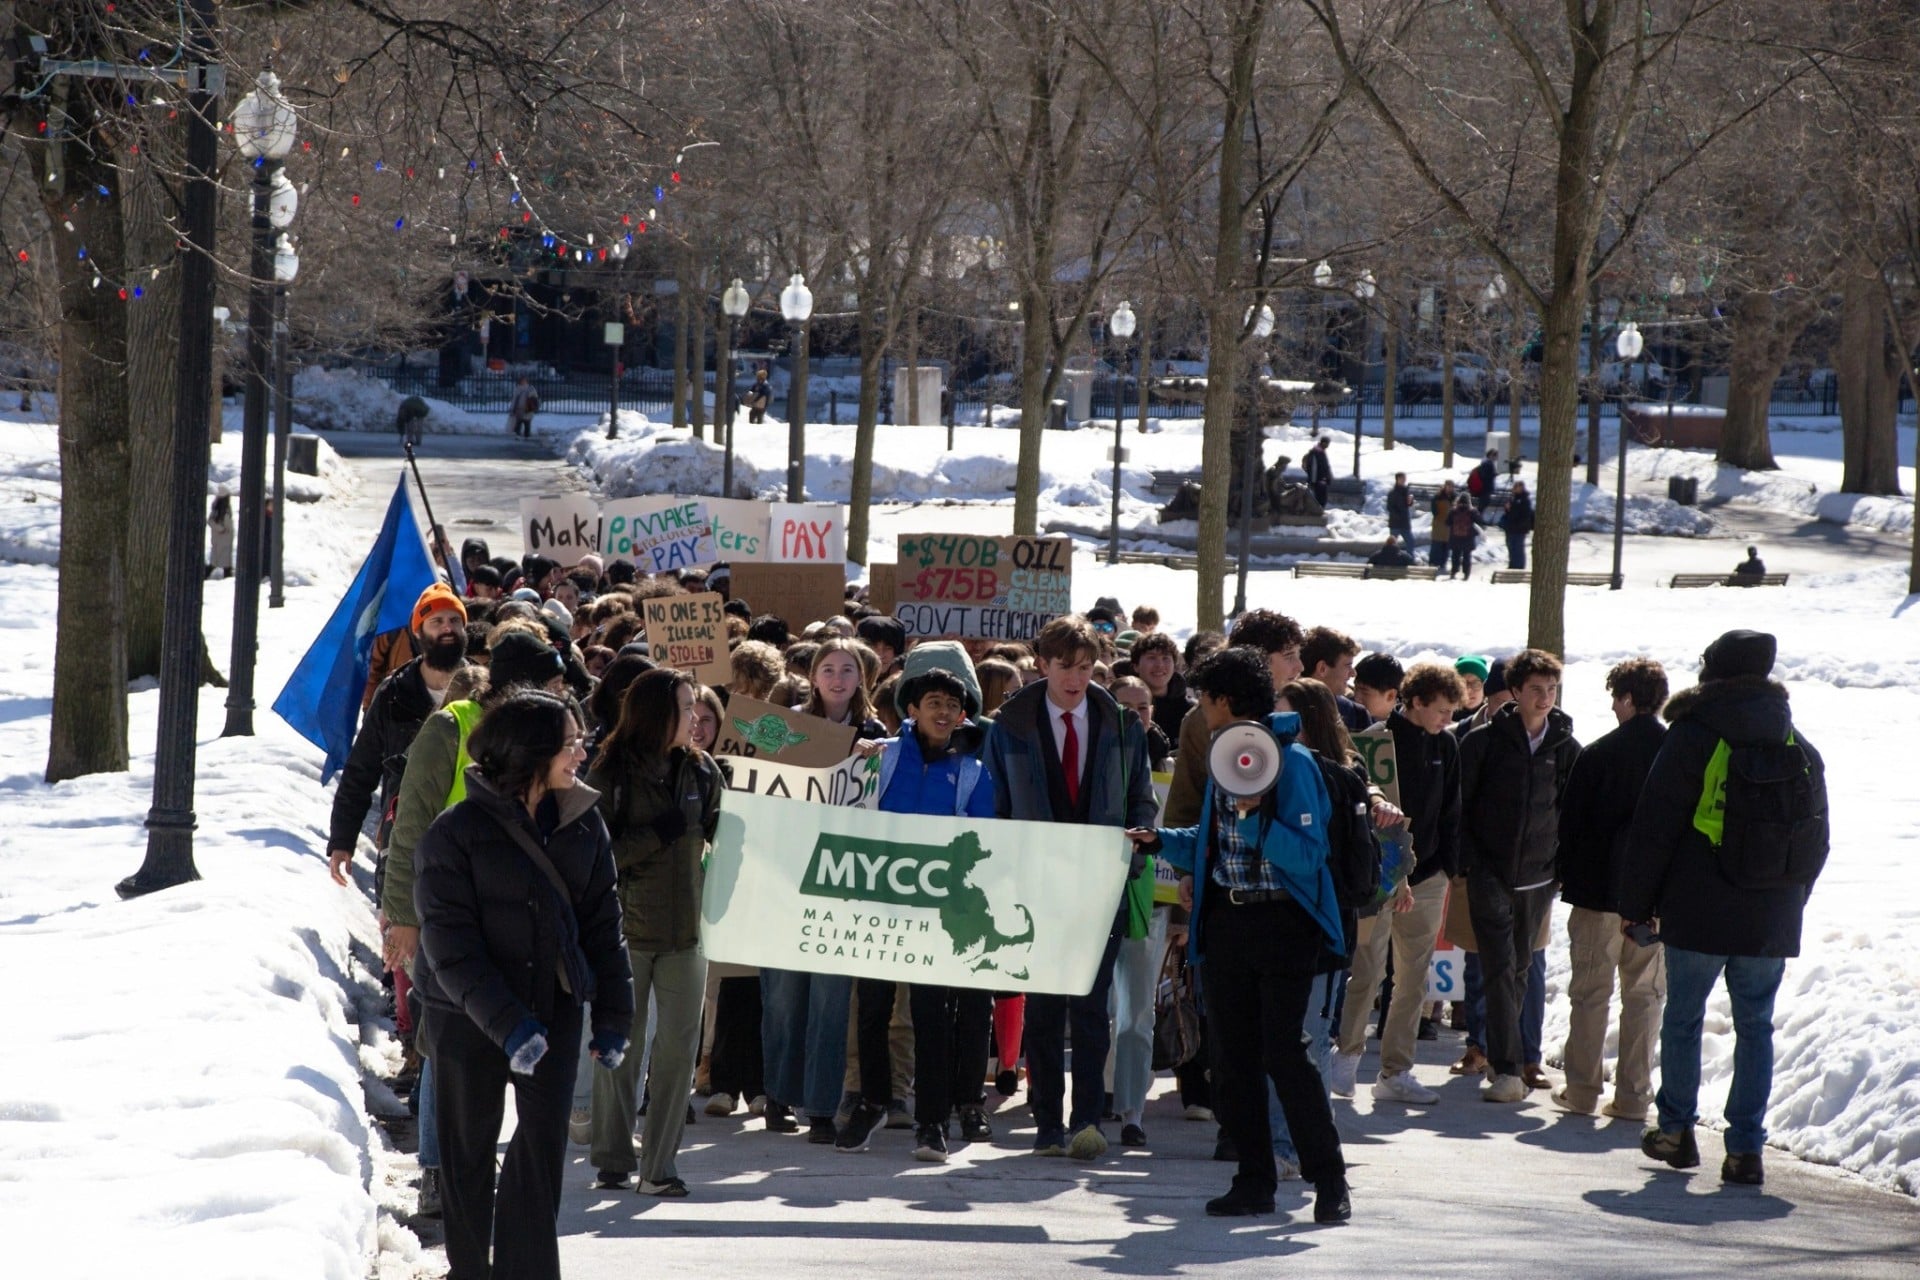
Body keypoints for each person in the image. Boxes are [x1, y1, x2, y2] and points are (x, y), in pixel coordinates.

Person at [412, 689, 633, 1280]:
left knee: (540, 1152)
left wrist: (614, 1015)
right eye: (570, 744)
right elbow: (449, 947)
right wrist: (509, 1025)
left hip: (552, 1002)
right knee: (468, 1152)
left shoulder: (585, 822)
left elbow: (604, 926)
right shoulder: (452, 833)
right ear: (531, 754)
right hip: (464, 1012)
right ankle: (469, 1269)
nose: (582, 754)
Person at [1130, 647, 1351, 1223]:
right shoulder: (1226, 757)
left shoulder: (1293, 763)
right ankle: (1253, 1181)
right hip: (1228, 925)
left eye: (1204, 700)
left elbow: (1308, 856)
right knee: (1232, 1062)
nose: (1200, 711)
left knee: (1287, 1055)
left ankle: (1330, 1181)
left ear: (1223, 700)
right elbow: (1213, 839)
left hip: (1283, 926)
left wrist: (1257, 823)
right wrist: (1164, 843)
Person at [1620, 630, 1827, 1186]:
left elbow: (1654, 826)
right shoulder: (1797, 745)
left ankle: (1676, 1132)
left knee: (1683, 1019)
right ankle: (1744, 1152)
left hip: (1699, 908)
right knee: (1755, 1026)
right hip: (1770, 915)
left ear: (1713, 672)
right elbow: (1817, 841)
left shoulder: (1693, 735)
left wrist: (1637, 905)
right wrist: (1789, 900)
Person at [983, 614, 1156, 1161]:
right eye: (1065, 667)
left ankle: (1086, 1120)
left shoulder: (1122, 726)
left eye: (1085, 667)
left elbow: (1141, 799)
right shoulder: (1009, 724)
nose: (1076, 678)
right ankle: (1046, 1124)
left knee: (1089, 1005)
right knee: (1041, 1010)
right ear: (1043, 664)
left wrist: (1130, 851)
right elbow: (993, 804)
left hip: (1097, 885)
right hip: (1031, 887)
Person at [840, 654, 998, 1161]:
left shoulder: (973, 773)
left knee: (934, 1016)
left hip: (938, 916)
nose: (944, 712)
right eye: (934, 703)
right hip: (880, 908)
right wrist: (853, 757)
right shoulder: (878, 757)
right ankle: (873, 1102)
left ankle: (932, 1122)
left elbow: (983, 840)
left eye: (954, 705)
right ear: (911, 708)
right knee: (873, 1011)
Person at [585, 669, 722, 1196]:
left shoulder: (703, 772)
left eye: (696, 708)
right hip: (627, 932)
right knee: (621, 1046)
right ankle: (613, 1157)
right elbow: (597, 859)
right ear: (655, 713)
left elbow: (721, 833)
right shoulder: (609, 773)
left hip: (689, 932)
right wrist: (654, 836)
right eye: (687, 708)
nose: (695, 719)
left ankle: (659, 1166)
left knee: (678, 1053)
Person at [1330, 662, 1463, 1106]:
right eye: (1441, 709)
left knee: (1414, 978)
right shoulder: (1375, 743)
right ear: (1417, 702)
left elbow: (1451, 810)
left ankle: (1397, 1070)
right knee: (1365, 971)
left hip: (1428, 878)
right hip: (1379, 876)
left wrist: (1445, 866)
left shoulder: (1447, 744)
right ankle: (1346, 1057)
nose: (1447, 719)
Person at [1457, 648, 1580, 1102]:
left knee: (1522, 967)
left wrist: (1560, 869)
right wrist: (1469, 863)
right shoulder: (1483, 742)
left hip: (1539, 877)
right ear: (1515, 692)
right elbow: (1462, 806)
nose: (1545, 697)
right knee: (1498, 965)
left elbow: (1571, 813)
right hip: (1489, 872)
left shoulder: (1565, 746)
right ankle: (1507, 1069)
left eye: (1552, 689)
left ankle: (1509, 1059)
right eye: (1536, 689)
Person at [1553, 658, 1669, 1121]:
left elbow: (1571, 826)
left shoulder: (1598, 753)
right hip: (1653, 901)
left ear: (1624, 698)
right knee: (1644, 997)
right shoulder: (1676, 753)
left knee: (1591, 992)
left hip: (1598, 893)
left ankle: (1582, 1089)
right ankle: (1634, 1097)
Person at [1130, 631, 1193, 746]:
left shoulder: (1190, 711)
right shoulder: (1124, 705)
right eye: (1151, 658)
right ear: (1136, 666)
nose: (1159, 665)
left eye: (1165, 658)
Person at [1499, 480, 1535, 570]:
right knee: (1511, 546)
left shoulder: (1524, 500)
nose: (1513, 489)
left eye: (1516, 487)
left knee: (1518, 547)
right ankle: (1512, 564)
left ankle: (1518, 566)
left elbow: (1523, 514)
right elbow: (1510, 513)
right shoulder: (1513, 498)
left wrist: (1512, 509)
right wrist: (1507, 509)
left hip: (1519, 528)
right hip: (1511, 527)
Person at [1446, 496, 1480, 579]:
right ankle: (1466, 573)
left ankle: (1454, 571)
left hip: (1455, 537)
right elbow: (1479, 520)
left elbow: (1447, 522)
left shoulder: (1453, 511)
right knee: (1467, 556)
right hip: (1468, 538)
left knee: (1455, 556)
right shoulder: (1472, 511)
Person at [1427, 481, 1456, 570]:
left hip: (1448, 525)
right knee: (1436, 545)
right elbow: (1434, 510)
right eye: (1448, 486)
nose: (1450, 488)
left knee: (1446, 546)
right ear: (1445, 486)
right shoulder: (1438, 497)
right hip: (1439, 523)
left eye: (1451, 487)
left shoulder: (1454, 497)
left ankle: (1443, 564)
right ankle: (1433, 563)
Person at [207, 489, 234, 580]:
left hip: (224, 539)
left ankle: (227, 575)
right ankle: (227, 577)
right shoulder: (219, 510)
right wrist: (221, 529)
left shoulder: (222, 509)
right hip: (221, 539)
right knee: (219, 561)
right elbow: (211, 522)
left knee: (222, 561)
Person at [1303, 436, 1334, 509]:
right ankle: (1317, 514)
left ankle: (1319, 512)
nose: (1328, 445)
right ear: (1323, 443)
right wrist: (1313, 481)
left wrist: (1328, 477)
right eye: (1327, 443)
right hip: (1318, 481)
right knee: (1320, 499)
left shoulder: (1321, 452)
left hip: (1322, 480)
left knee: (1322, 499)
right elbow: (1314, 468)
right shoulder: (1316, 452)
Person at [1386, 472, 1415, 545]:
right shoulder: (1392, 493)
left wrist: (1410, 501)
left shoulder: (1406, 491)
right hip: (1395, 523)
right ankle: (1391, 555)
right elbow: (1390, 507)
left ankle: (1409, 556)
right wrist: (1398, 515)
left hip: (1405, 523)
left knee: (1410, 542)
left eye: (1404, 478)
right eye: (1402, 478)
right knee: (1392, 543)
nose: (1404, 480)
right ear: (1397, 479)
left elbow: (1407, 504)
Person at [1469, 448, 1498, 512]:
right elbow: (1485, 476)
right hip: (1485, 488)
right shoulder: (1488, 464)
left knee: (1483, 503)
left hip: (1483, 487)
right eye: (1495, 455)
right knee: (1484, 503)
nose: (1496, 458)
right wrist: (1494, 474)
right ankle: (1478, 517)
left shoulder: (1485, 462)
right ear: (1491, 455)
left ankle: (1478, 516)